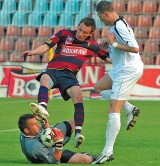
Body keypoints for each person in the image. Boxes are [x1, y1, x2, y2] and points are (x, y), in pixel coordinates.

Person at [21, 17, 110, 148]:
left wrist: (125, 62)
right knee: (45, 78)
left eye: (85, 32)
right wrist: (34, 52)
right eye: (80, 29)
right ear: (77, 26)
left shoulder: (93, 46)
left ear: (90, 34)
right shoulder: (64, 33)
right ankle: (42, 109)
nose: (81, 33)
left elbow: (108, 58)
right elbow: (47, 45)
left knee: (78, 95)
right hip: (53, 70)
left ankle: (78, 133)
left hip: (69, 75)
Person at [92, 1, 144, 164]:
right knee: (98, 87)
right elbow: (119, 44)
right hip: (120, 68)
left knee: (113, 109)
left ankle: (107, 151)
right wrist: (109, 45)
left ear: (106, 13)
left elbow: (135, 48)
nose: (100, 20)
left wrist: (114, 43)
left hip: (126, 70)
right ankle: (130, 108)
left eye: (100, 16)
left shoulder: (119, 26)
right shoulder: (115, 25)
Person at [18, 113, 96, 164]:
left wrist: (43, 121)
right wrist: (58, 143)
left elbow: (46, 131)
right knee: (87, 159)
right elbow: (54, 161)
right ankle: (91, 156)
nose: (38, 126)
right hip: (53, 152)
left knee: (73, 122)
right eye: (34, 124)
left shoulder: (27, 132)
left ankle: (77, 138)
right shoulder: (35, 147)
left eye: (36, 123)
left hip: (49, 143)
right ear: (26, 130)